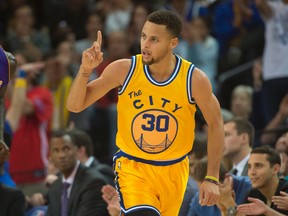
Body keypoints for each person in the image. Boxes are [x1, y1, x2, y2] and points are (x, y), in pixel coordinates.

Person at [67, 10, 224, 215]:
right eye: (143, 36)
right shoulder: (124, 69)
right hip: (133, 168)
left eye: (154, 39)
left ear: (173, 43)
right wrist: (85, 70)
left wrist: (212, 177)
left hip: (175, 171)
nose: (145, 44)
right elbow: (74, 105)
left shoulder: (193, 79)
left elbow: (216, 123)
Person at [46, 129, 109, 216]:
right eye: (56, 150)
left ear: (76, 150)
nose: (61, 155)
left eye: (66, 149)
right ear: (51, 155)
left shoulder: (94, 182)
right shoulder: (55, 187)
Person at [220, 145, 288, 216]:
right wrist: (224, 207)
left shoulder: (285, 192)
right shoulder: (253, 193)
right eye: (249, 167)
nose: (252, 172)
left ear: (275, 169)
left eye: (258, 165)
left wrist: (229, 203)